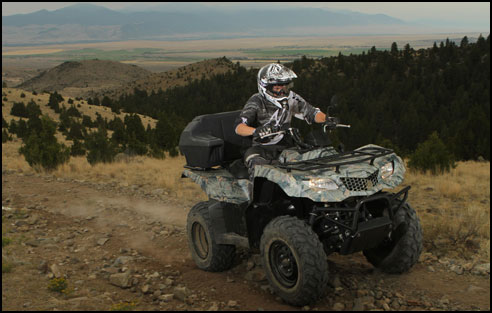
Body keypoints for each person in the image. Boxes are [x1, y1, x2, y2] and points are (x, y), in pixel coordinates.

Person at [234, 63, 327, 178]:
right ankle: (257, 195)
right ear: (265, 86)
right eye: (277, 87)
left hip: (285, 147)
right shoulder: (256, 101)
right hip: (259, 148)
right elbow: (239, 127)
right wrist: (256, 131)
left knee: (308, 166)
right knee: (259, 171)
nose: (282, 91)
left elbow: (312, 112)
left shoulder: (291, 98)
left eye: (285, 87)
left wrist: (327, 119)